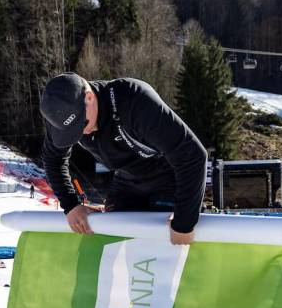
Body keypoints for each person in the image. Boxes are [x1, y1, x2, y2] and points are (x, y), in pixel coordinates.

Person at [40, 73, 206, 245]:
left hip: (168, 177)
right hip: (126, 179)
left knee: (165, 244)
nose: (81, 133)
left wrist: (184, 224)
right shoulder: (60, 116)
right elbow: (53, 159)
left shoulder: (134, 101)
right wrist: (71, 206)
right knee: (114, 241)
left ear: (89, 98)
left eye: (80, 125)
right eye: (71, 133)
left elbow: (192, 156)